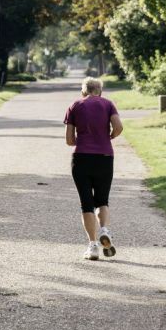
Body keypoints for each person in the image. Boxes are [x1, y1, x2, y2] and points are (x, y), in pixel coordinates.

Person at [64, 76, 123, 261]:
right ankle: (104, 229)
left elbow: (69, 140)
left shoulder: (75, 106)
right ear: (100, 91)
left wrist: (79, 139)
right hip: (105, 157)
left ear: (84, 91)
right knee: (102, 200)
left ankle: (93, 246)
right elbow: (119, 127)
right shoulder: (108, 104)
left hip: (81, 158)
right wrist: (109, 137)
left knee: (86, 203)